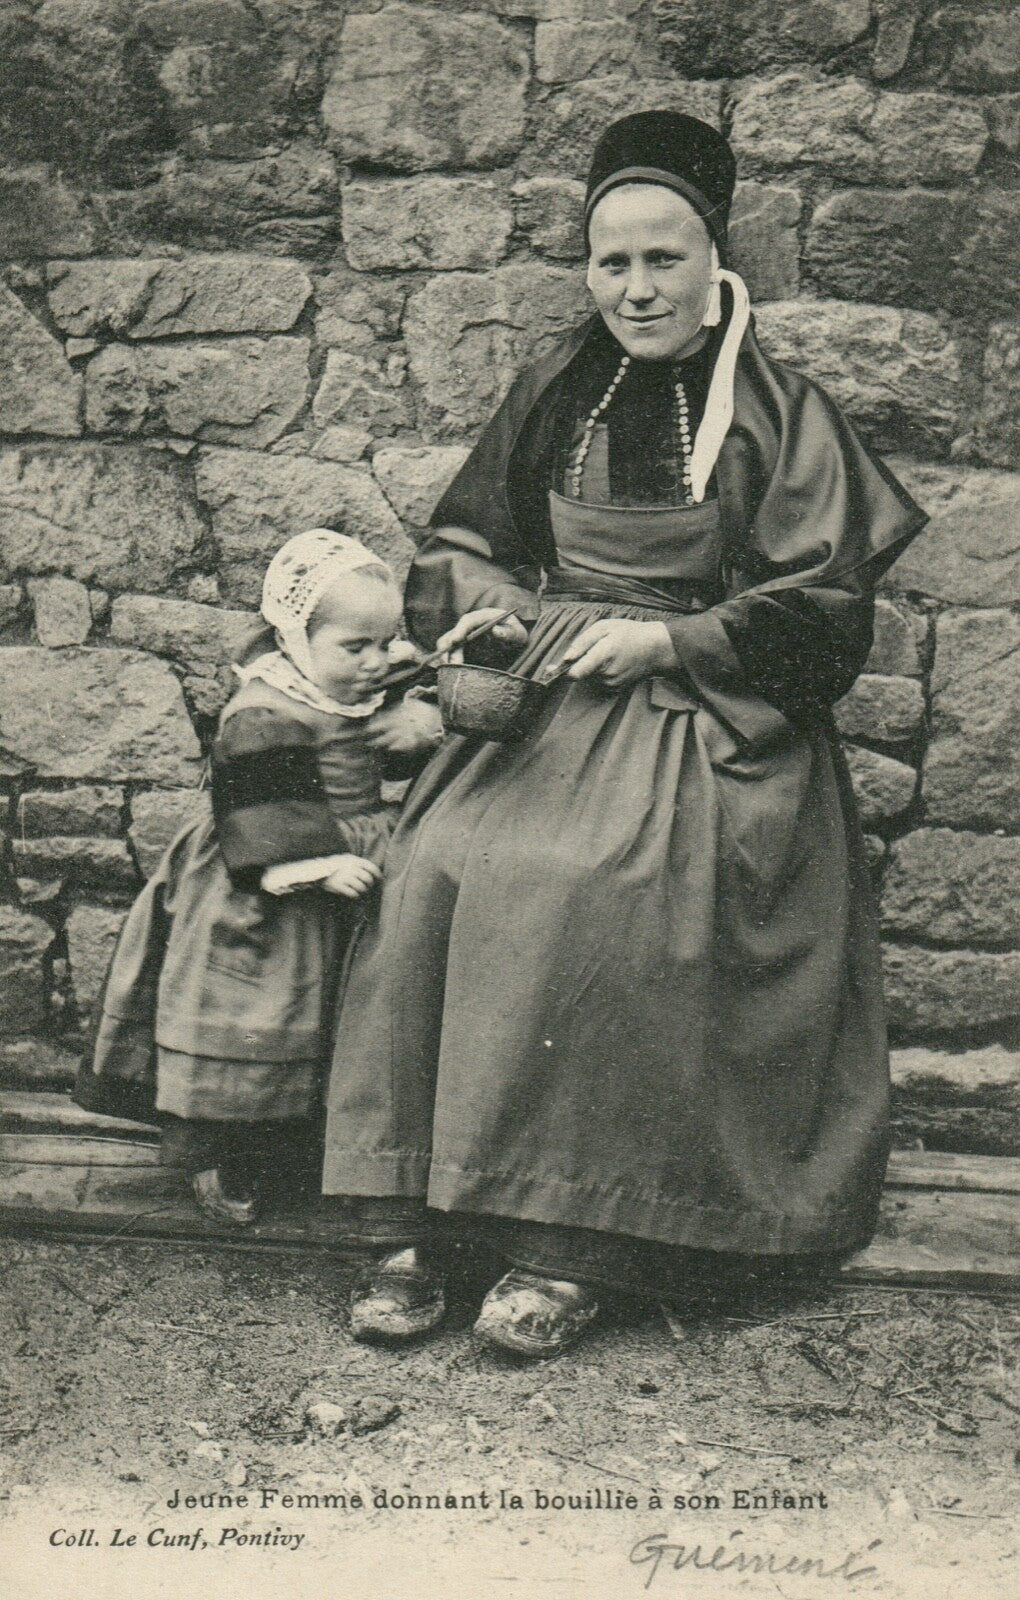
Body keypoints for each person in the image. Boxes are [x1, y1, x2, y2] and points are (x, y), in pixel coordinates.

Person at [321, 112, 928, 1354]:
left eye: (665, 259)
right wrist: (491, 623)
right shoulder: (557, 380)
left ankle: (575, 1242)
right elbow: (467, 544)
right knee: (437, 869)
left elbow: (823, 605)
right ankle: (415, 1214)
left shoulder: (777, 406)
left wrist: (676, 642)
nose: (637, 289)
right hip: (548, 698)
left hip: (708, 719)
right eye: (612, 263)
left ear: (718, 254)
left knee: (603, 891)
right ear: (586, 268)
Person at [75, 530, 443, 1225]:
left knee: (335, 1014)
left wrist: (419, 717)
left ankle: (314, 1148)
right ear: (298, 638)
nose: (376, 662)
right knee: (259, 1016)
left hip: (351, 853)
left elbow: (386, 721)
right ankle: (226, 1152)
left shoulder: (350, 683)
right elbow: (262, 813)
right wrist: (311, 865)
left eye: (384, 642)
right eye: (355, 647)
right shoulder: (267, 710)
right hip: (270, 874)